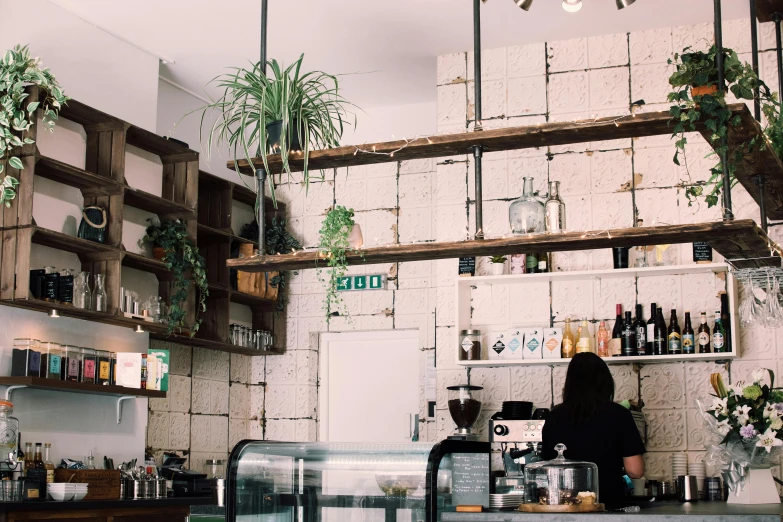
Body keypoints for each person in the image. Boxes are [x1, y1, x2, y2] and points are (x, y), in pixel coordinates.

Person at [541, 352, 645, 506]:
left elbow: (547, 469)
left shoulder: (553, 416)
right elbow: (635, 471)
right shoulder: (619, 414)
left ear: (570, 384)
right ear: (606, 382)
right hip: (607, 507)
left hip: (563, 508)